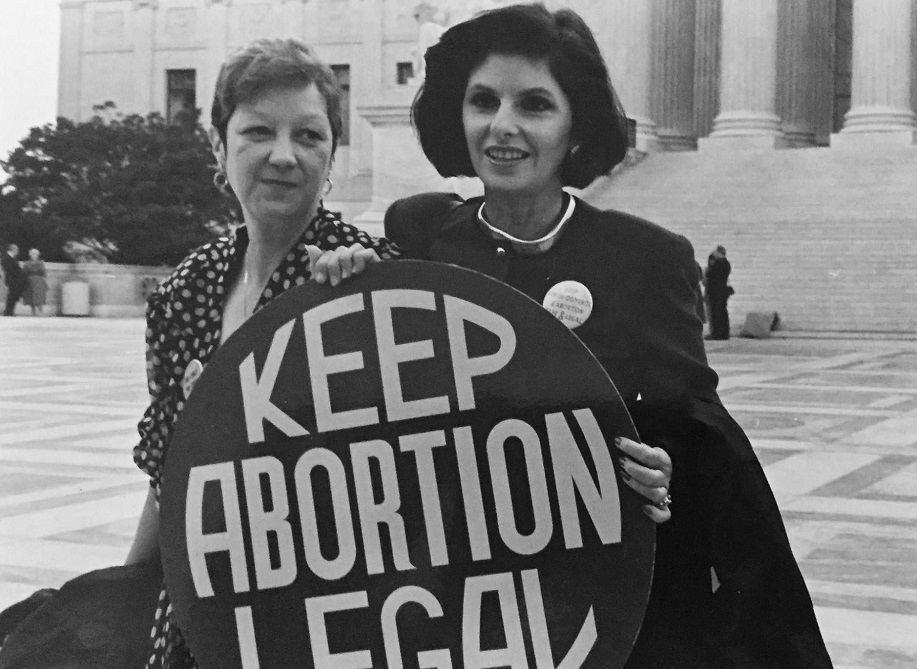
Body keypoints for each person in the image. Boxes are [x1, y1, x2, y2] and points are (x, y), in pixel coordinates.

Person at [351, 4, 830, 667]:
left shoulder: (645, 258)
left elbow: (692, 427)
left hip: (598, 607)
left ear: (575, 125)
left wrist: (667, 471)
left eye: (535, 105)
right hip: (458, 605)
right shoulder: (420, 239)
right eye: (482, 100)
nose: (502, 126)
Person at [120, 38, 399, 668]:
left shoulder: (369, 281)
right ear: (220, 147)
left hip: (328, 616)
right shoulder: (184, 292)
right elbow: (169, 476)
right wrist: (123, 595)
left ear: (331, 155)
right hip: (201, 607)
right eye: (257, 132)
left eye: (308, 135)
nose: (283, 155)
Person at [705, 245, 733, 340]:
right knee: (723, 312)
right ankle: (724, 333)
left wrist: (711, 264)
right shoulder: (727, 263)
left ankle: (716, 333)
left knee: (716, 313)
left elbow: (710, 275)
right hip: (723, 291)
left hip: (715, 291)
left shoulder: (718, 263)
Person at [2, 243, 25, 316]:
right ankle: (8, 311)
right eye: (16, 249)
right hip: (12, 279)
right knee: (12, 295)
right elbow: (9, 269)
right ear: (13, 249)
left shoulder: (12, 258)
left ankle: (9, 311)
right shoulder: (7, 257)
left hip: (15, 279)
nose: (18, 251)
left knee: (13, 295)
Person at [22, 248, 48, 316]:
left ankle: (41, 310)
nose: (34, 256)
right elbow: (24, 273)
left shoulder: (41, 263)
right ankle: (33, 311)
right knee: (31, 296)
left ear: (38, 255)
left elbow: (44, 273)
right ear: (30, 255)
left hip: (39, 281)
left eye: (35, 254)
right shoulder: (26, 263)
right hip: (30, 281)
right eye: (32, 254)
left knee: (39, 296)